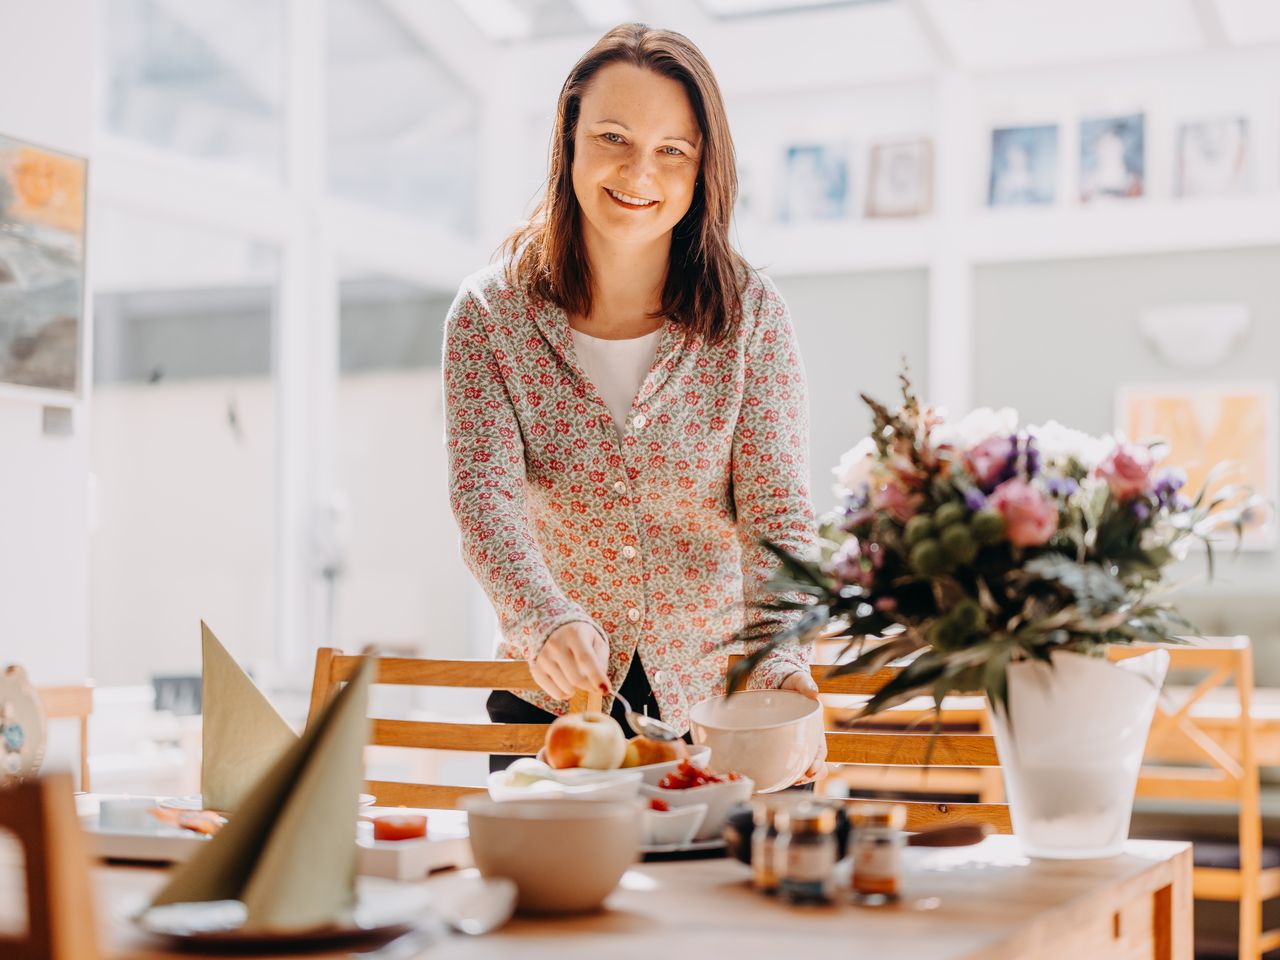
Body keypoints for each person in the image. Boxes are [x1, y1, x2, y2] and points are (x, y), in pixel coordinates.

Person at [442, 23, 824, 784]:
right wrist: (540, 617)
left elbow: (778, 518)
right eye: (613, 137)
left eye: (671, 150)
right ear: (571, 140)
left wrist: (783, 658)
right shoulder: (489, 317)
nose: (638, 171)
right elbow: (484, 501)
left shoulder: (750, 315)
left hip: (721, 707)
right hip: (552, 704)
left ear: (703, 167)